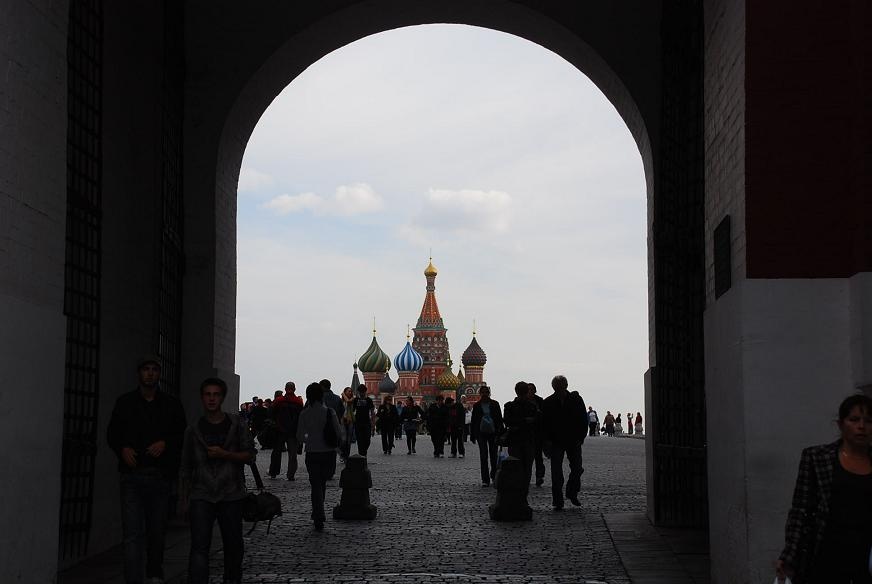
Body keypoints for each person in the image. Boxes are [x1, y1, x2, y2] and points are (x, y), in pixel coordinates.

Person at [775, 394, 872, 584]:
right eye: (854, 420)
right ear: (840, 424)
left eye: (868, 421)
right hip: (825, 552)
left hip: (865, 554)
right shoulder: (817, 457)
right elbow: (800, 511)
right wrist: (789, 555)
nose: (862, 426)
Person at [107, 355, 187, 584]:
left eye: (154, 369)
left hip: (159, 476)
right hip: (132, 476)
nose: (150, 373)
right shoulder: (125, 403)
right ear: (139, 373)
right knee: (132, 534)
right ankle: (133, 578)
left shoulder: (171, 404)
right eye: (146, 369)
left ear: (159, 373)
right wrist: (122, 448)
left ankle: (154, 572)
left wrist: (166, 443)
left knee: (157, 531)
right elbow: (113, 433)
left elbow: (181, 434)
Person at [179, 377, 255, 584]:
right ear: (202, 398)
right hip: (201, 493)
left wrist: (225, 454)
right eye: (207, 394)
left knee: (233, 545)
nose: (212, 399)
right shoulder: (193, 430)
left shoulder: (236, 424)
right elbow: (186, 466)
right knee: (199, 547)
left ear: (222, 397)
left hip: (231, 493)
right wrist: (184, 499)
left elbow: (249, 455)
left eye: (216, 394)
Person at [296, 382, 345, 530]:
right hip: (328, 454)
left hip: (312, 453)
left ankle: (318, 512)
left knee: (315, 484)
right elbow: (338, 433)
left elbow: (299, 436)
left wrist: (309, 439)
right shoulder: (330, 412)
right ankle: (319, 512)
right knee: (321, 483)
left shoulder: (304, 413)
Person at [541, 375, 587, 510]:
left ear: (565, 386)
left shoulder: (576, 400)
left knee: (577, 468)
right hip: (555, 441)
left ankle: (571, 492)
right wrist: (546, 441)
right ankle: (558, 500)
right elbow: (544, 424)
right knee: (556, 472)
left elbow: (583, 419)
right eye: (557, 387)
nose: (560, 389)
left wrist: (581, 437)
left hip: (573, 440)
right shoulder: (548, 402)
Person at [503, 381, 539, 493]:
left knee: (516, 467)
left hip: (516, 441)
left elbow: (508, 421)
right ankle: (523, 491)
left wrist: (519, 423)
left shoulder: (509, 406)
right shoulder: (532, 406)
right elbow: (536, 423)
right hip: (527, 440)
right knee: (527, 468)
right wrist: (525, 421)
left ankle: (518, 492)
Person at [268, 382, 303, 480]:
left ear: (285, 388)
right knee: (292, 454)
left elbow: (271, 413)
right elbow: (301, 417)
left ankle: (273, 472)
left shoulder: (279, 400)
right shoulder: (298, 402)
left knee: (276, 452)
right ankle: (290, 475)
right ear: (294, 389)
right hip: (293, 431)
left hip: (280, 430)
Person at [470, 385, 503, 487]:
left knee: (494, 456)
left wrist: (500, 433)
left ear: (489, 393)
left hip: (493, 433)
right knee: (483, 456)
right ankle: (485, 479)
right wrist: (473, 435)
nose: (484, 394)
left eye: (486, 392)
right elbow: (474, 421)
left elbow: (499, 419)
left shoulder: (495, 404)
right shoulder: (477, 406)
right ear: (480, 394)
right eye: (483, 392)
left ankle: (493, 476)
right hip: (481, 433)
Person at [319, 379, 344, 479]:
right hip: (333, 427)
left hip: (320, 427)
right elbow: (342, 411)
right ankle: (330, 472)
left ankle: (321, 470)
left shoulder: (317, 398)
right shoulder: (337, 398)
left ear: (322, 387)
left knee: (320, 449)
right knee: (332, 450)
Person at [528, 383, 547, 486]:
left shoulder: (540, 401)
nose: (530, 392)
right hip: (527, 433)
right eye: (528, 390)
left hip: (538, 433)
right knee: (528, 457)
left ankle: (539, 476)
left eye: (532, 390)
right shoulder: (522, 401)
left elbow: (544, 417)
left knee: (538, 456)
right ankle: (527, 476)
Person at [351, 385, 375, 456]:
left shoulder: (369, 400)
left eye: (363, 392)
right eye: (360, 392)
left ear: (365, 392)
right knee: (360, 441)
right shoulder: (355, 400)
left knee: (367, 440)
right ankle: (362, 455)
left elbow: (372, 412)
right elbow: (352, 411)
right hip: (357, 423)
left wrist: (373, 425)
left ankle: (363, 453)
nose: (362, 393)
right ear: (358, 392)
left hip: (367, 423)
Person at [339, 386, 355, 462]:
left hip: (350, 420)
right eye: (348, 391)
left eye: (351, 391)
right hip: (342, 420)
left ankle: (346, 456)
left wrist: (343, 394)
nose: (350, 392)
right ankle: (342, 454)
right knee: (344, 439)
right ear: (345, 392)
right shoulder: (341, 401)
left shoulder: (353, 399)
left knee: (348, 440)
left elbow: (348, 401)